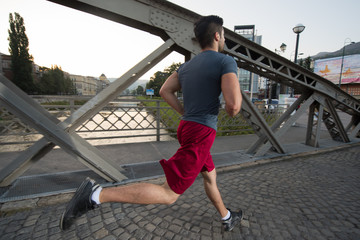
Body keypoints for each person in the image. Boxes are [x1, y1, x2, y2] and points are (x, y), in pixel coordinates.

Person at [60, 15, 243, 232]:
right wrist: (230, 106)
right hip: (201, 132)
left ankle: (226, 216)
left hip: (187, 127)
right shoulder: (225, 61)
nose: (223, 40)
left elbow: (165, 90)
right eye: (223, 36)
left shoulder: (186, 67)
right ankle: (96, 195)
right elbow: (233, 107)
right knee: (169, 194)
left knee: (210, 176)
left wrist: (186, 112)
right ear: (217, 36)